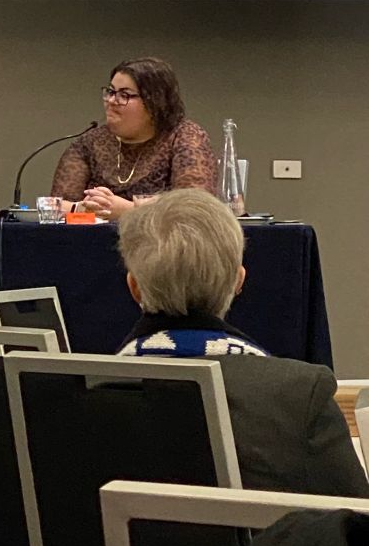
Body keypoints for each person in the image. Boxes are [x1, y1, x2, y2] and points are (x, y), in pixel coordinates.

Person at [116, 188, 369, 497]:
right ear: (239, 281)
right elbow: (354, 524)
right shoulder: (300, 394)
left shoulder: (84, 391)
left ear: (134, 288)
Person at [51, 57, 215, 220]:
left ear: (154, 102)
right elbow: (54, 205)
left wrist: (129, 210)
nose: (111, 101)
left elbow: (196, 204)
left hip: (162, 243)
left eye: (124, 95)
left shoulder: (184, 136)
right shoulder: (90, 142)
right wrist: (81, 208)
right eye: (111, 92)